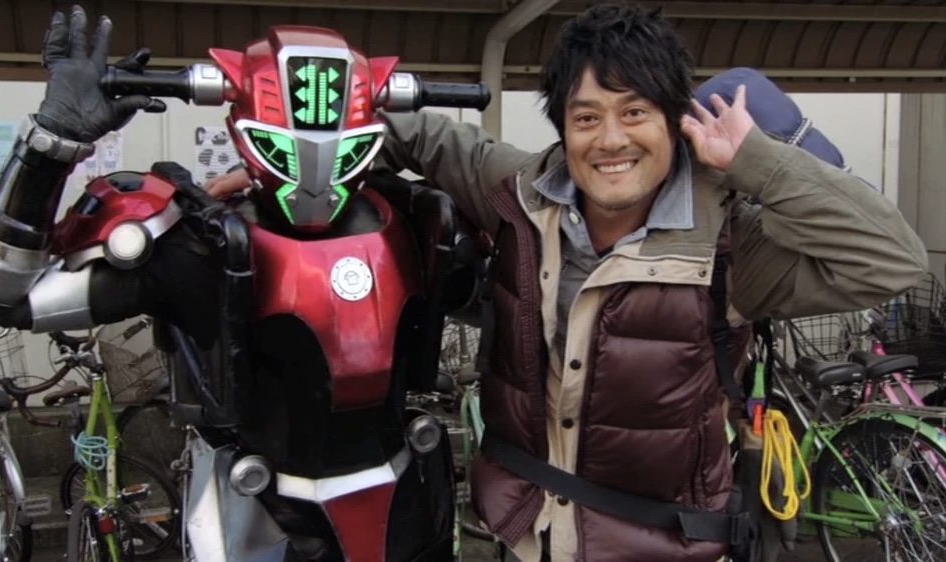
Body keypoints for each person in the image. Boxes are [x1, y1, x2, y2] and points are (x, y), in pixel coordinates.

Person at [204, 3, 928, 562]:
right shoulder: (521, 192)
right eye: (587, 117)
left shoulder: (730, 246)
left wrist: (755, 161)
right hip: (524, 536)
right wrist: (286, 165)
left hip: (662, 546)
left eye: (634, 112)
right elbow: (422, 135)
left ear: (673, 122)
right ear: (563, 126)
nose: (610, 140)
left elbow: (892, 258)